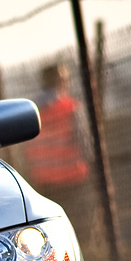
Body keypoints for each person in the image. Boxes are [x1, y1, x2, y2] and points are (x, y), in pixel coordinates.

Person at [21, 62, 96, 241]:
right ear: (60, 81)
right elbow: (85, 144)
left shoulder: (31, 111)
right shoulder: (70, 107)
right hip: (73, 181)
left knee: (53, 236)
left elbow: (25, 149)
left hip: (43, 184)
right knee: (81, 233)